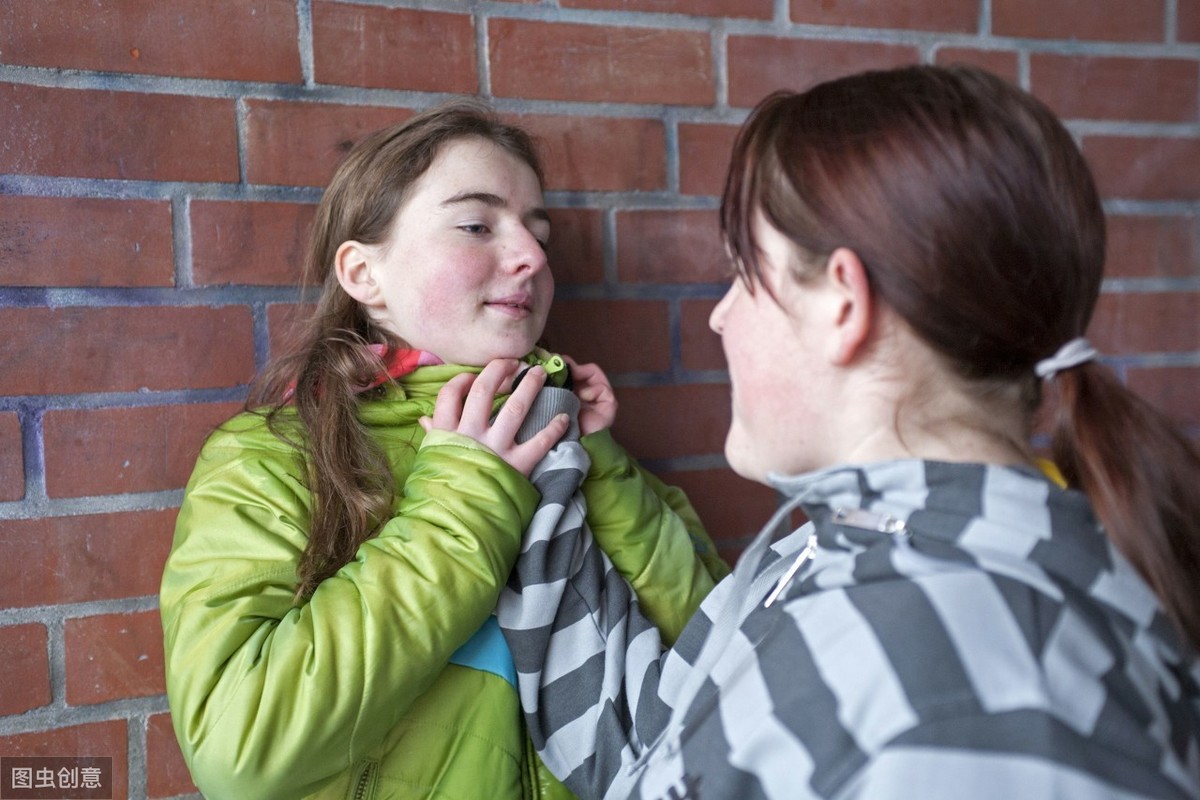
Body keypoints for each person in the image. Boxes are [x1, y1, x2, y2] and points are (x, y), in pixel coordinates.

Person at [442, 65, 1200, 798]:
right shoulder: (828, 547)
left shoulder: (979, 695)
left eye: (743, 274)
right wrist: (534, 465)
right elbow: (642, 748)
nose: (719, 315)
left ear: (843, 303)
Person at [159, 100, 728, 800]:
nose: (531, 255)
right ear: (364, 275)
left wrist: (598, 462)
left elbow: (723, 662)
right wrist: (467, 499)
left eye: (535, 229)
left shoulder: (580, 445)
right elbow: (241, 749)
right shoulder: (272, 459)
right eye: (475, 225)